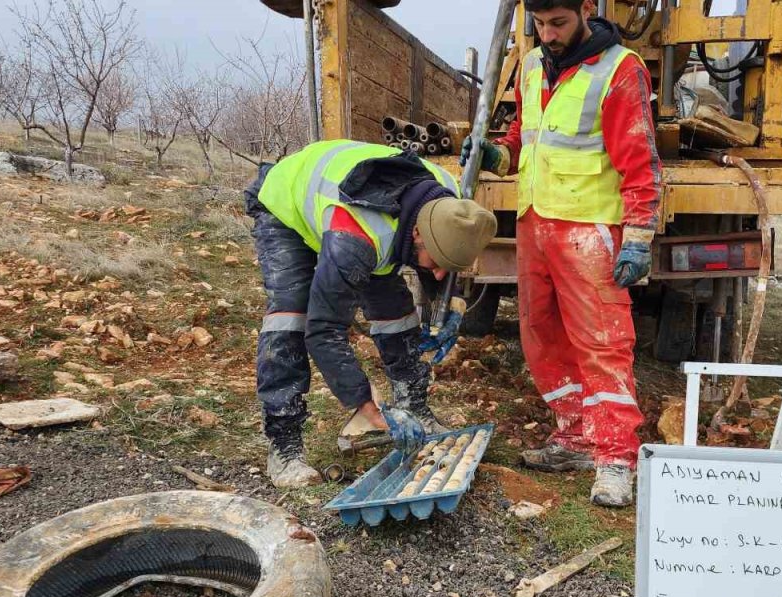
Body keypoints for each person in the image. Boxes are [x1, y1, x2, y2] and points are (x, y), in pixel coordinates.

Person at [460, 0, 662, 507]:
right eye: (540, 25)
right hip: (535, 223)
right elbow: (521, 139)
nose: (548, 35)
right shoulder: (531, 66)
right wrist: (495, 155)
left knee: (602, 342)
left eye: (559, 23)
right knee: (541, 335)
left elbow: (640, 163)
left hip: (588, 229)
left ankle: (616, 457)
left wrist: (637, 238)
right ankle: (575, 436)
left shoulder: (619, 69)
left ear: (586, 10)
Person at [245, 140, 498, 488]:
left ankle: (415, 407)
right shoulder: (359, 237)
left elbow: (442, 263)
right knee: (292, 316)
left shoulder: (449, 202)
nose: (438, 274)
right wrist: (364, 401)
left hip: (371, 216)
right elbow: (323, 330)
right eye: (436, 264)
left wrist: (450, 304)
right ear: (416, 234)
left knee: (396, 310)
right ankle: (284, 444)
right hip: (285, 204)